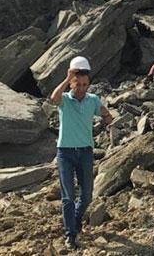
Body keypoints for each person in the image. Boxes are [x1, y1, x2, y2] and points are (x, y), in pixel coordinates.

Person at [49, 56, 113, 250]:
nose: (82, 88)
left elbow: (105, 114)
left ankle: (75, 222)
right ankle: (70, 235)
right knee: (68, 197)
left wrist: (107, 117)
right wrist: (67, 79)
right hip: (65, 153)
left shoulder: (92, 100)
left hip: (85, 152)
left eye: (86, 84)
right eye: (79, 84)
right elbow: (53, 98)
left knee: (86, 196)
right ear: (72, 82)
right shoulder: (65, 100)